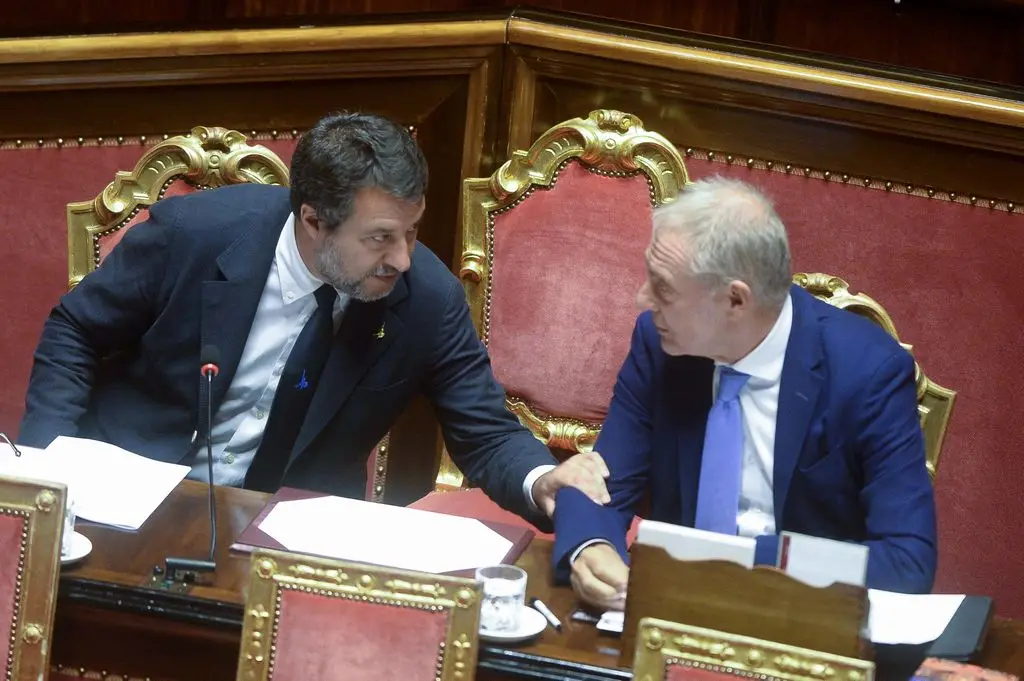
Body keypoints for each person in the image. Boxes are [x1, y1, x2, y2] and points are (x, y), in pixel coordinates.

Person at [19, 111, 610, 521]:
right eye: (380, 238)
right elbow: (75, 330)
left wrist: (541, 480)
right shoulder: (193, 236)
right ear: (313, 221)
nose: (402, 259)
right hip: (129, 498)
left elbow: (486, 433)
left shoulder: (428, 299)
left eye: (411, 232)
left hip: (288, 531)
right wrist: (47, 470)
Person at [553, 176, 937, 607]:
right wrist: (590, 546)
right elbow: (601, 481)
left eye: (664, 288)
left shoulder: (866, 372)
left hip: (799, 619)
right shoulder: (659, 345)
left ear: (736, 301)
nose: (643, 299)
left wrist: (748, 561)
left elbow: (906, 562)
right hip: (667, 615)